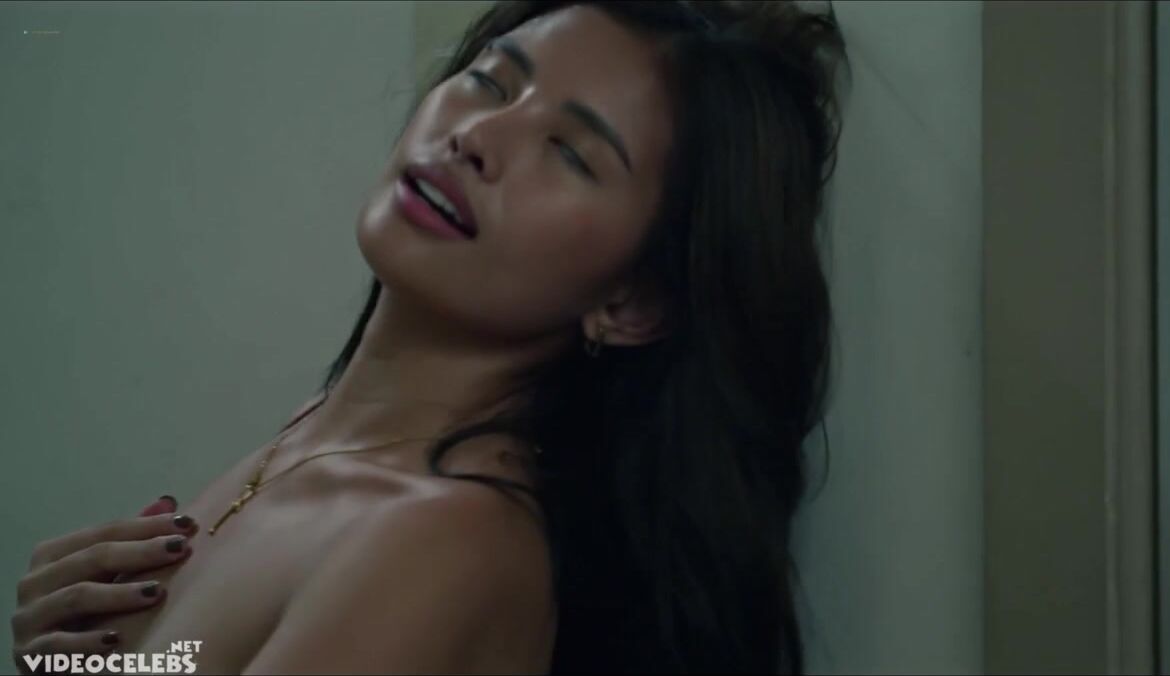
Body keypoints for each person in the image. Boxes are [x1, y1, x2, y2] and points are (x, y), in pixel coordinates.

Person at [11, 1, 847, 672]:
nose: (475, 137)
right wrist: (71, 661)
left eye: (569, 152)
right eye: (490, 82)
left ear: (635, 304)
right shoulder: (326, 440)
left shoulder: (443, 542)